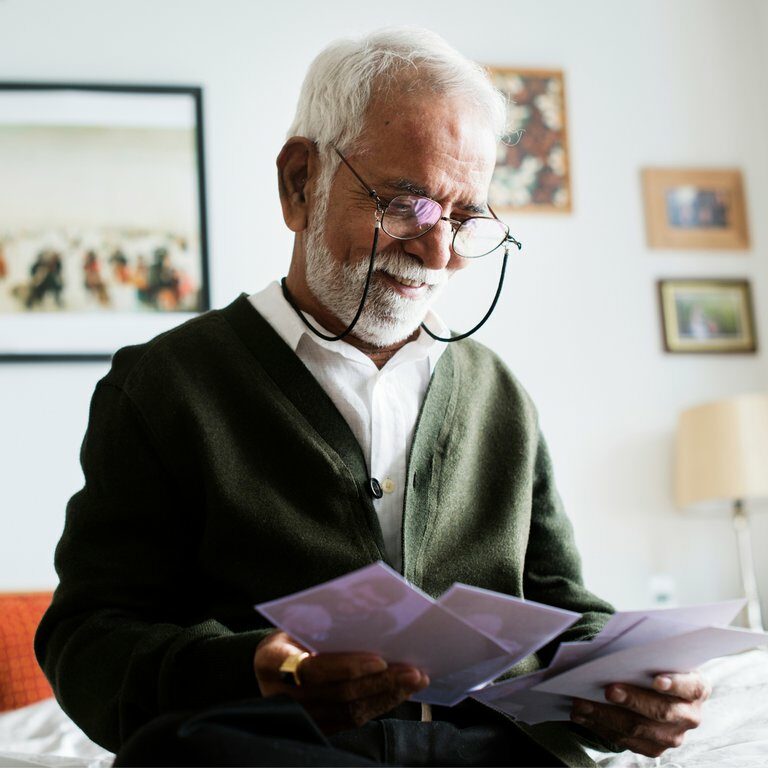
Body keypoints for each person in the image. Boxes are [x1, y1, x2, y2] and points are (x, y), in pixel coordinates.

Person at [35, 28, 710, 767]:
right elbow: (89, 637)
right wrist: (257, 671)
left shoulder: (498, 396)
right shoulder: (166, 387)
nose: (439, 253)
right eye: (409, 205)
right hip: (278, 748)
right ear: (301, 183)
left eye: (462, 219)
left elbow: (559, 612)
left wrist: (626, 691)